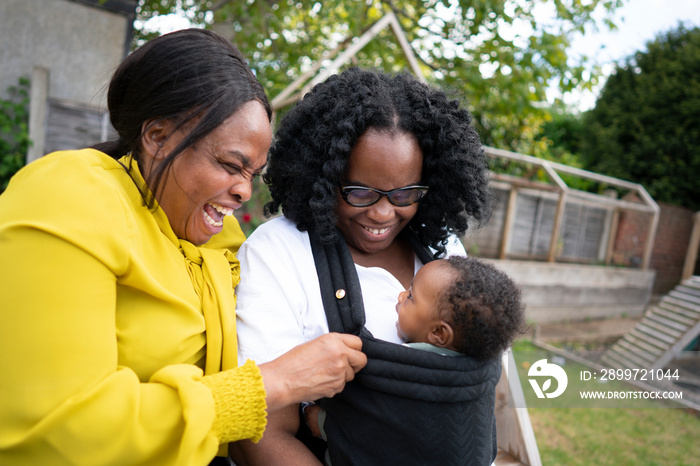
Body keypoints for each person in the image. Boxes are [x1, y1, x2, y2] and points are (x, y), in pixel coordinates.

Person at [0, 29, 366, 465]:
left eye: (254, 173)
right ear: (157, 137)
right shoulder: (70, 196)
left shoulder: (220, 241)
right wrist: (275, 383)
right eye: (231, 165)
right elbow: (57, 429)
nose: (244, 192)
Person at [232, 67, 493, 465]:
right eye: (360, 192)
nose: (384, 213)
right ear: (323, 176)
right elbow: (260, 433)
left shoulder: (442, 250)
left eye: (405, 192)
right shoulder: (279, 253)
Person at [304, 255, 525, 441]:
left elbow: (367, 426)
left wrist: (318, 419)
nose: (400, 295)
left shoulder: (400, 371)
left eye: (410, 296)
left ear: (438, 333)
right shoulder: (478, 368)